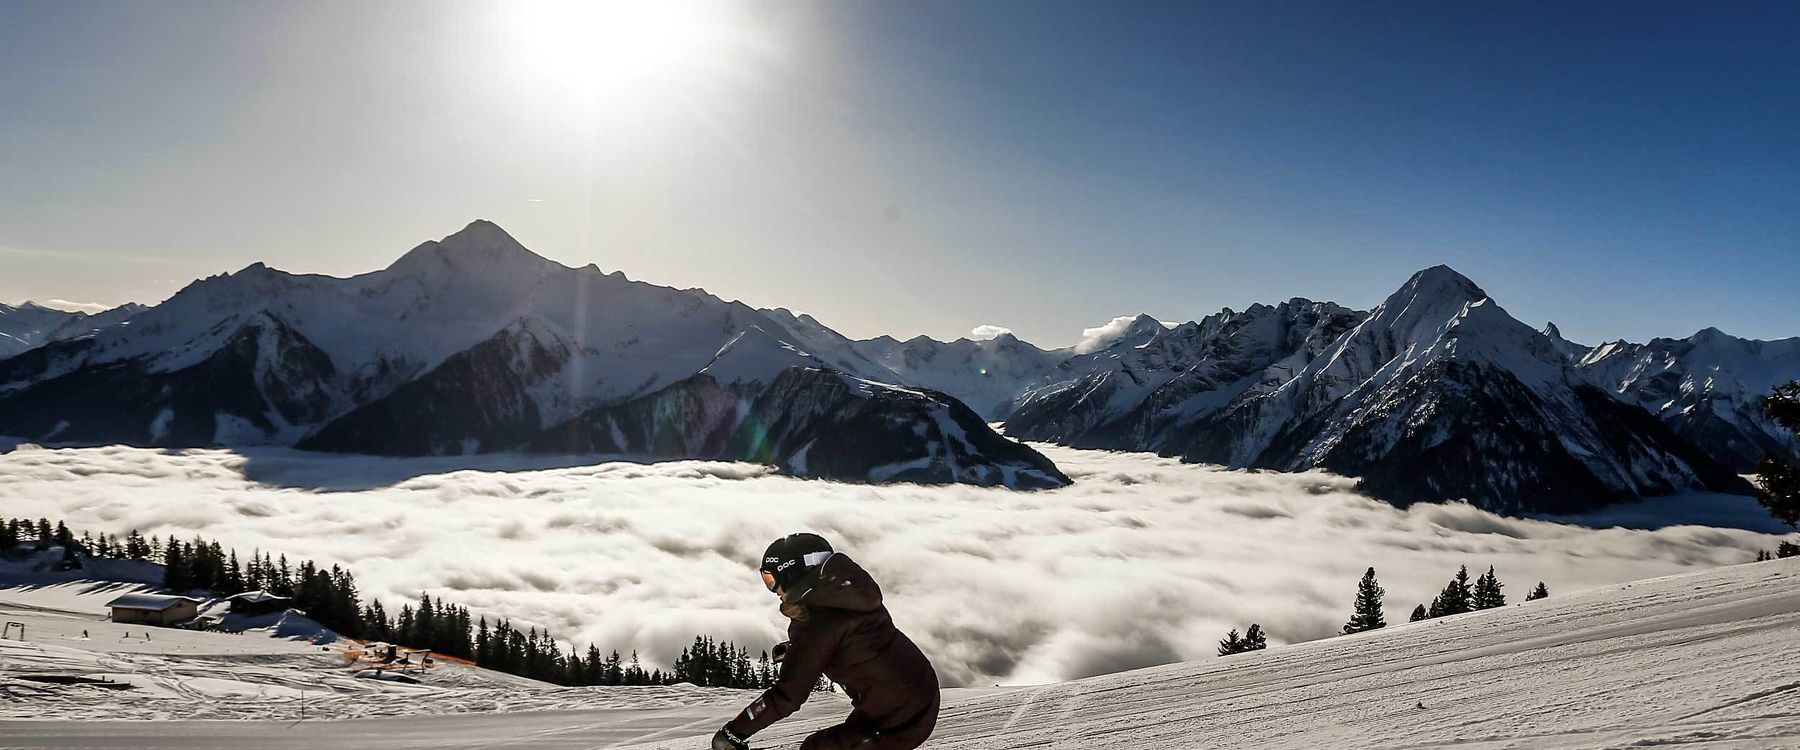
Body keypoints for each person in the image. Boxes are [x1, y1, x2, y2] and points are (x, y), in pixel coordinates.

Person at [713, 533, 939, 750]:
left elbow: (787, 695)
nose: (774, 590)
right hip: (912, 695)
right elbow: (847, 639)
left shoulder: (818, 621)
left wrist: (734, 732)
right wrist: (797, 650)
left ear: (793, 574)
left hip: (901, 719)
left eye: (771, 580)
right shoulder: (845, 594)